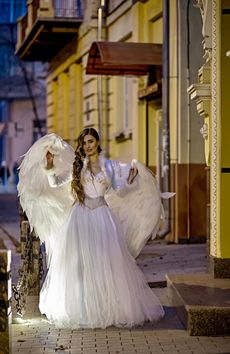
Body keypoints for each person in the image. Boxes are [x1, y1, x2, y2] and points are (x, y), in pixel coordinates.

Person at [18, 128, 166, 329]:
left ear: (97, 142)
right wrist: (50, 166)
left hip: (103, 219)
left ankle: (109, 308)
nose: (87, 146)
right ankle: (83, 310)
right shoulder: (77, 167)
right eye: (84, 142)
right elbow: (55, 183)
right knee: (81, 266)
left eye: (90, 141)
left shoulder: (109, 167)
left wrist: (130, 182)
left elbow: (119, 192)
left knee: (105, 264)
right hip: (80, 219)